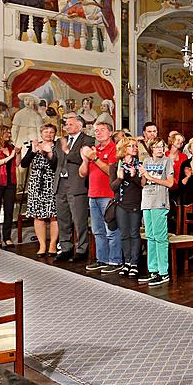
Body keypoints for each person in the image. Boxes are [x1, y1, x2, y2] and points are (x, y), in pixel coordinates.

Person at [79, 121, 122, 272]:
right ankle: (102, 259)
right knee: (97, 230)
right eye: (96, 130)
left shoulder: (114, 149)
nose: (98, 133)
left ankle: (115, 261)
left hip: (108, 195)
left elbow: (111, 172)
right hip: (93, 194)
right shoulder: (94, 149)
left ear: (110, 133)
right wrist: (85, 159)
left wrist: (95, 158)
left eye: (102, 130)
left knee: (111, 230)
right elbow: (82, 173)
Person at [52, 116, 95, 262]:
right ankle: (65, 248)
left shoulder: (87, 140)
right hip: (60, 183)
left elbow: (81, 158)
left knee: (79, 219)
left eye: (70, 124)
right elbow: (55, 162)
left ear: (79, 126)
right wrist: (48, 154)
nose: (67, 126)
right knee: (63, 219)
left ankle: (82, 249)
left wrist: (66, 151)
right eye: (66, 124)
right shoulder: (60, 141)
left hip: (77, 184)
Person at [138, 138, 174, 286]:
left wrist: (150, 177)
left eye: (162, 146)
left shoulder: (167, 161)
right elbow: (143, 184)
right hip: (146, 201)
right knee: (150, 236)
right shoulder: (146, 161)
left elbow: (170, 183)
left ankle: (163, 272)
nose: (160, 149)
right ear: (151, 148)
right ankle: (153, 270)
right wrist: (142, 175)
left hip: (160, 202)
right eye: (157, 147)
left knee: (160, 238)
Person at [21, 123, 58, 257]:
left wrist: (49, 152)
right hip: (36, 182)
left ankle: (53, 245)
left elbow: (55, 165)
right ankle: (42, 245)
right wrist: (33, 151)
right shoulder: (34, 145)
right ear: (41, 133)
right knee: (38, 216)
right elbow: (24, 164)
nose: (49, 134)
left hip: (52, 181)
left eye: (51, 132)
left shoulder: (57, 146)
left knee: (54, 215)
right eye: (46, 132)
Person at [110, 137, 143, 279]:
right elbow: (113, 187)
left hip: (135, 203)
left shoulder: (140, 165)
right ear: (124, 149)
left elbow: (142, 185)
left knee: (134, 233)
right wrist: (120, 178)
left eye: (135, 146)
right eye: (131, 146)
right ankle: (127, 262)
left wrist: (134, 176)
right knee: (124, 234)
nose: (134, 148)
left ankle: (135, 263)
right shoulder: (115, 166)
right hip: (121, 204)